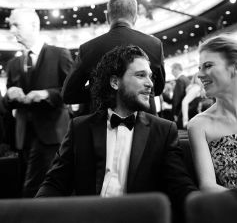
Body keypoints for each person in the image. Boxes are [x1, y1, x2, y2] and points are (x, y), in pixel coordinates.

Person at [36, 45, 196, 222]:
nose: (150, 83)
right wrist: (38, 213)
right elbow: (54, 183)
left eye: (150, 76)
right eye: (140, 75)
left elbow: (181, 186)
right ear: (115, 82)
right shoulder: (79, 129)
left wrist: (209, 206)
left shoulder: (164, 131)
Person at [3, 8, 73, 197]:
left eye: (16, 25)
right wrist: (9, 96)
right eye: (10, 26)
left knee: (38, 191)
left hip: (53, 137)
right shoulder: (13, 65)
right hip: (23, 139)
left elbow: (71, 93)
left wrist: (47, 94)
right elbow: (7, 106)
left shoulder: (60, 54)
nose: (12, 30)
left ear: (34, 25)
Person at [62, 0, 165, 115]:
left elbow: (69, 94)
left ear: (107, 17)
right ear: (135, 17)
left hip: (101, 125)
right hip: (146, 123)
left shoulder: (88, 48)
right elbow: (158, 88)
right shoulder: (155, 44)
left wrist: (100, 88)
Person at [188, 35, 237, 192]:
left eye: (208, 65)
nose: (200, 75)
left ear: (235, 67)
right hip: (234, 211)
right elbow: (208, 187)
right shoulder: (198, 125)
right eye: (199, 68)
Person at [166, 63, 190, 129]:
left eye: (172, 70)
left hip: (180, 112)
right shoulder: (185, 79)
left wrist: (174, 113)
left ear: (176, 69)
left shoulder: (180, 80)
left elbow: (177, 99)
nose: (171, 72)